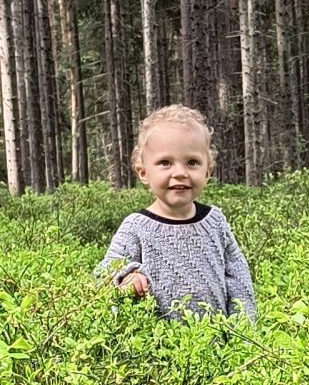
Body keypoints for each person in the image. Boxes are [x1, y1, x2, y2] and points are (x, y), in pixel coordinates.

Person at [96, 105, 256, 320]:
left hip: (218, 347)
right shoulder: (136, 227)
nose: (180, 173)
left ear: (207, 171)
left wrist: (244, 330)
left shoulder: (215, 221)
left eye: (192, 162)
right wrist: (126, 278)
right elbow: (103, 275)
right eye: (165, 163)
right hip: (157, 347)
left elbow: (239, 278)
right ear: (143, 172)